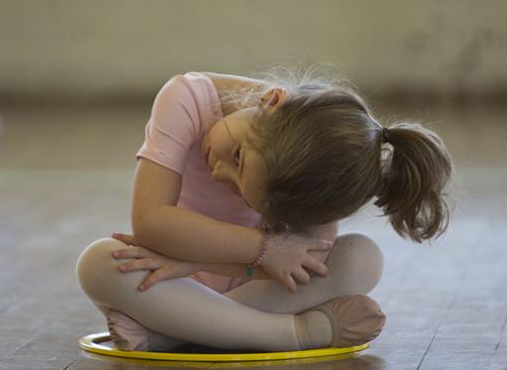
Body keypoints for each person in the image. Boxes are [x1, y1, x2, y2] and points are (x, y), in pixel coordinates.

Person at [75, 66, 453, 352]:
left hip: (251, 285)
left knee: (362, 258)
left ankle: (174, 333)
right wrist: (264, 250)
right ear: (271, 102)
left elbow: (308, 259)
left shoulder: (325, 170)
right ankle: (295, 334)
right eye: (238, 157)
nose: (219, 171)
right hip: (174, 280)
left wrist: (217, 262)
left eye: (243, 190)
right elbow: (151, 224)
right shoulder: (185, 98)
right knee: (99, 263)